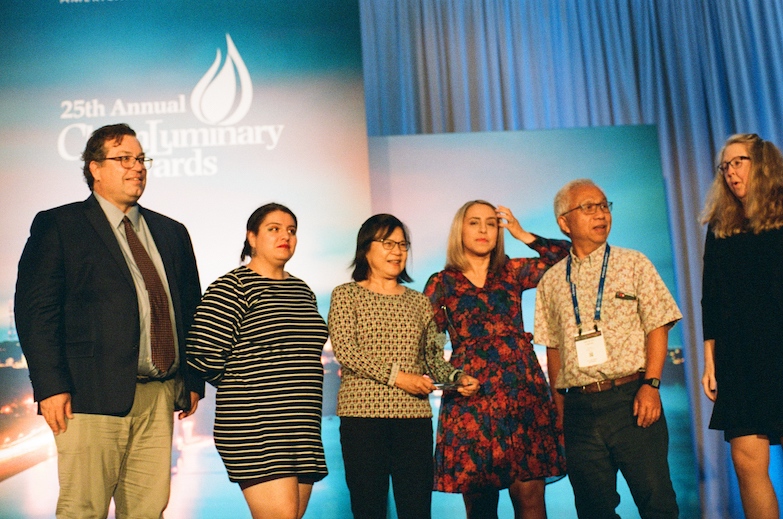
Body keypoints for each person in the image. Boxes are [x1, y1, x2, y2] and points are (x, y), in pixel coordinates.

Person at [14, 123, 203, 518]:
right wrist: (50, 386)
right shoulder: (60, 226)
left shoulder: (171, 232)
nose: (137, 167)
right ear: (95, 169)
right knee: (84, 509)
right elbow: (36, 313)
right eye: (124, 159)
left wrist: (192, 380)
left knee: (148, 511)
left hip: (159, 396)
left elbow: (190, 310)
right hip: (88, 395)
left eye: (141, 159)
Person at [534, 178, 681, 519]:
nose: (601, 213)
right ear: (564, 223)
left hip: (631, 399)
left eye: (604, 205)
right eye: (588, 207)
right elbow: (553, 349)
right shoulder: (552, 281)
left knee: (657, 504)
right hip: (579, 410)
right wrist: (560, 411)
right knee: (593, 510)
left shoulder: (634, 263)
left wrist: (652, 385)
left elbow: (658, 324)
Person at [328, 214, 479, 519]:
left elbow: (432, 357)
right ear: (366, 248)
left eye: (402, 244)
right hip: (363, 419)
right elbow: (347, 352)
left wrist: (456, 377)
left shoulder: (419, 302)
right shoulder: (346, 295)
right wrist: (400, 378)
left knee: (417, 509)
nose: (397, 251)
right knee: (368, 508)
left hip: (413, 420)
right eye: (388, 243)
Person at [424, 200, 569, 519]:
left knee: (531, 503)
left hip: (522, 396)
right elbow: (429, 349)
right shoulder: (441, 282)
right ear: (459, 230)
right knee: (481, 510)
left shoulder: (513, 271)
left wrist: (522, 233)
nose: (483, 229)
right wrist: (454, 379)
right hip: (471, 403)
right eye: (474, 222)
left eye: (491, 223)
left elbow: (568, 257)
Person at [187, 203, 328, 519]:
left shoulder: (301, 290)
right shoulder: (232, 286)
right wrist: (249, 385)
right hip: (257, 424)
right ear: (251, 237)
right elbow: (203, 352)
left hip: (301, 426)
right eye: (274, 229)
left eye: (291, 230)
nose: (285, 236)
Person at [700, 134, 783, 519]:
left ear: (762, 163)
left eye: (739, 161)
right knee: (747, 462)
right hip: (740, 355)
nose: (731, 172)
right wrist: (710, 360)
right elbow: (711, 298)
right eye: (725, 165)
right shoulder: (720, 226)